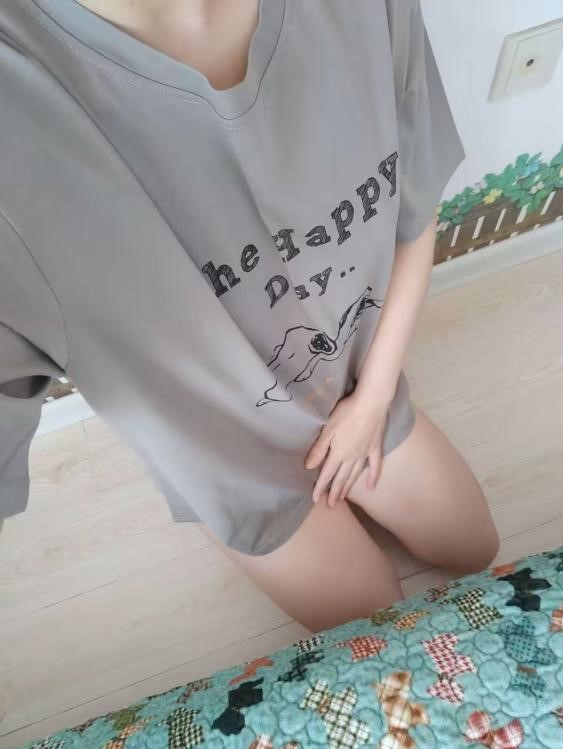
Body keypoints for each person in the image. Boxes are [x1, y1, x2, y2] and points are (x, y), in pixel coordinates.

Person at [0, 0, 499, 633]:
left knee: (475, 551)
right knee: (375, 627)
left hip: (354, 391)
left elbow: (416, 203)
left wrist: (372, 401)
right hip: (235, 461)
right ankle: (224, 512)